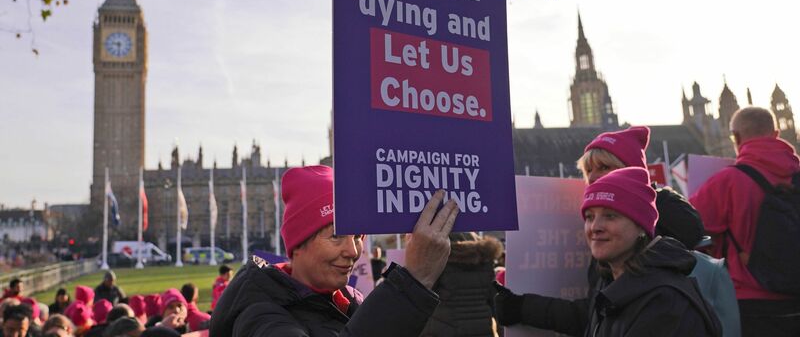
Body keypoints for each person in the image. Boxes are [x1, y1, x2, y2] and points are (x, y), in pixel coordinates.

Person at [209, 165, 459, 336]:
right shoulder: (260, 316)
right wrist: (413, 281)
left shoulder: (351, 300)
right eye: (336, 236)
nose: (353, 250)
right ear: (298, 245)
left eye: (358, 236)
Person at [495, 167, 722, 336]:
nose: (595, 227)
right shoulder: (614, 281)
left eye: (610, 216)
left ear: (641, 227)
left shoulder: (663, 302)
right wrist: (520, 307)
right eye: (589, 217)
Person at [579, 126, 740, 336]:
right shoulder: (611, 262)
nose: (593, 177)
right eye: (590, 217)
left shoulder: (661, 297)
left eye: (611, 216)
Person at [690, 107, 800, 336]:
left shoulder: (726, 181)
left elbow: (688, 228)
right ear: (776, 134)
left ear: (736, 138)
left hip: (750, 303)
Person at [419, 232, 503, 337]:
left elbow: (423, 300)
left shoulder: (437, 262)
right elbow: (496, 303)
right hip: (480, 330)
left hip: (444, 330)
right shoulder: (485, 264)